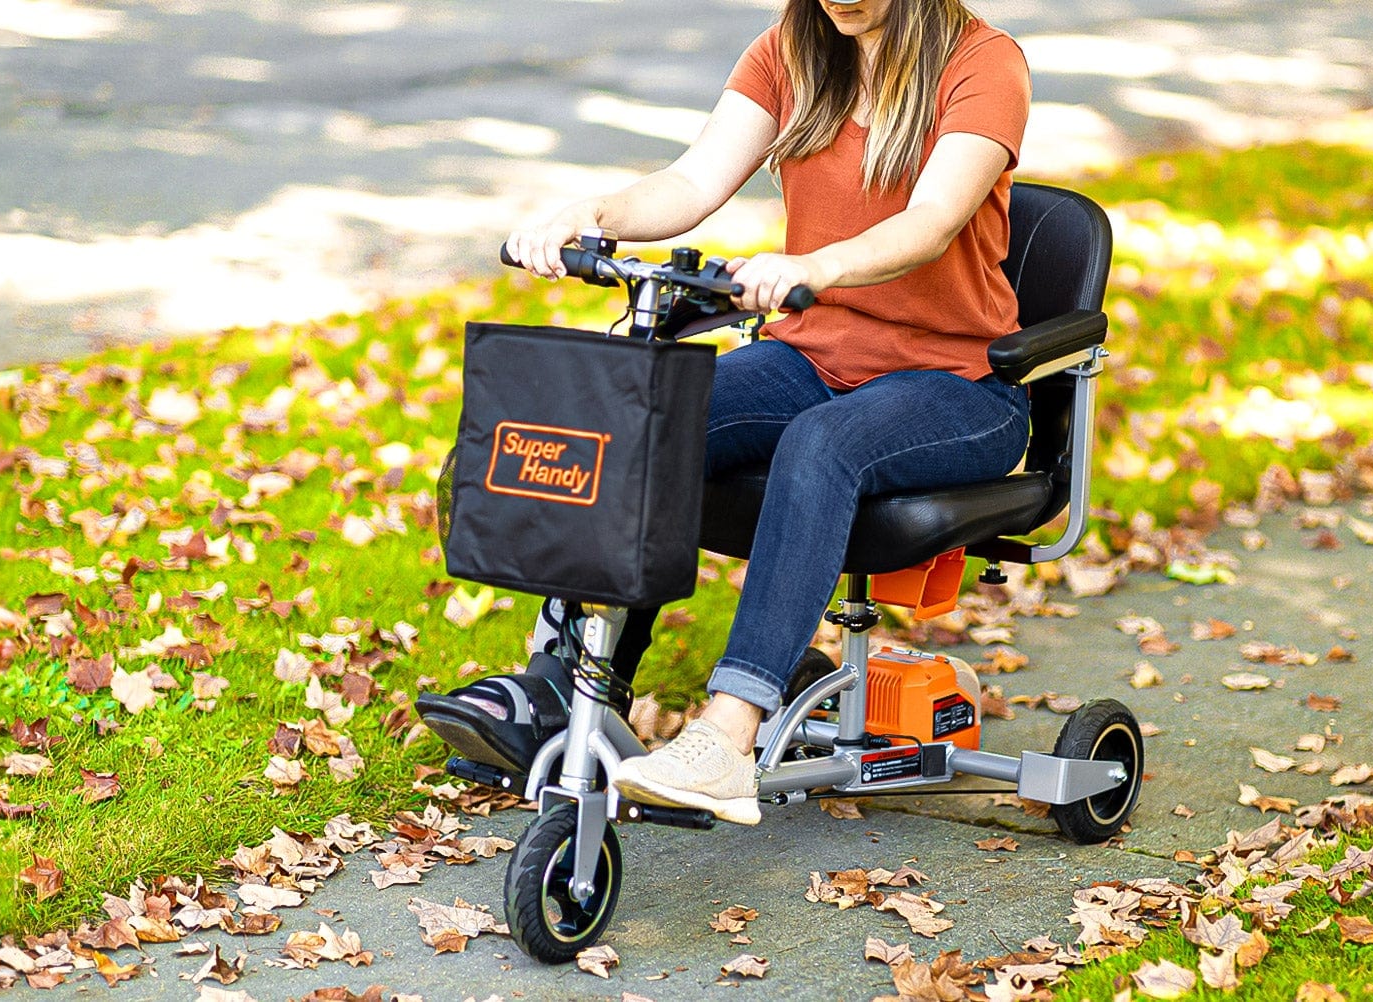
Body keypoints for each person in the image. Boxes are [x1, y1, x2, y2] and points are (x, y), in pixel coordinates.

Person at [419, 0, 1032, 825]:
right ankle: (567, 689)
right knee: (654, 416)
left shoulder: (982, 64)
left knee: (821, 445)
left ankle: (727, 739)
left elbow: (930, 222)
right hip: (811, 355)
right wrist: (590, 215)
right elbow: (691, 182)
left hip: (958, 384)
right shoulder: (791, 51)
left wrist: (816, 263)